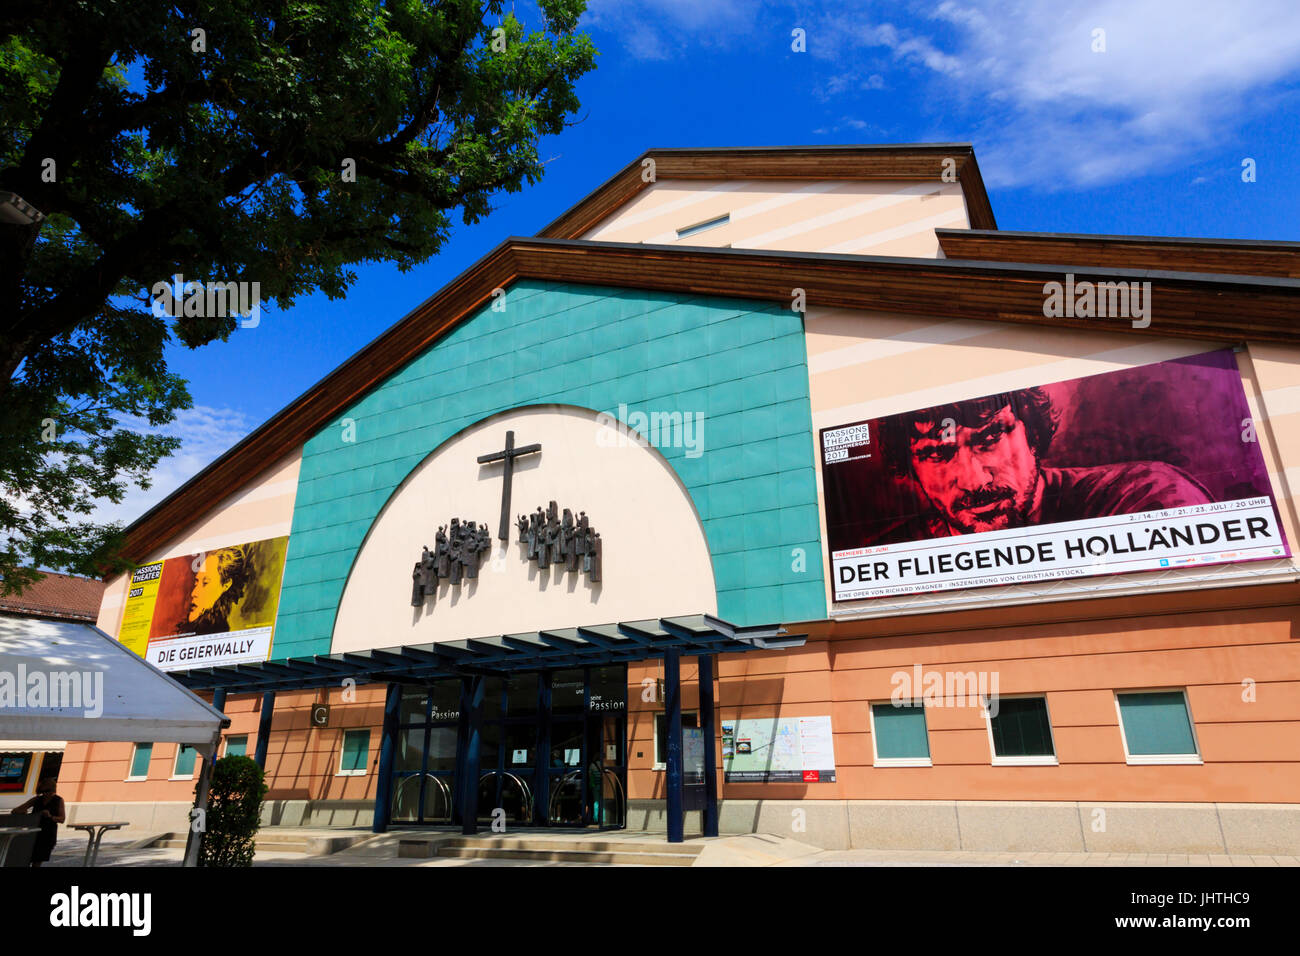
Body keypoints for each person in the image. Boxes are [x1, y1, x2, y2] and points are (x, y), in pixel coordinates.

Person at [876, 387, 1213, 542]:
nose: (974, 481)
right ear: (910, 467)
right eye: (937, 455)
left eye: (991, 439)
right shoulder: (887, 554)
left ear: (1034, 436)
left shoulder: (1148, 496)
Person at [179, 545, 253, 634]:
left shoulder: (221, 632)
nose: (194, 593)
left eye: (205, 583)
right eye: (196, 583)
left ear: (226, 585)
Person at [13, 777, 66, 867]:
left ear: (53, 790)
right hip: (33, 832)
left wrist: (50, 817)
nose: (45, 793)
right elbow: (16, 810)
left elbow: (62, 819)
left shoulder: (58, 800)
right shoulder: (37, 799)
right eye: (43, 791)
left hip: (47, 834)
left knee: (37, 861)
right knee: (26, 858)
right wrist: (23, 812)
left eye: (47, 791)